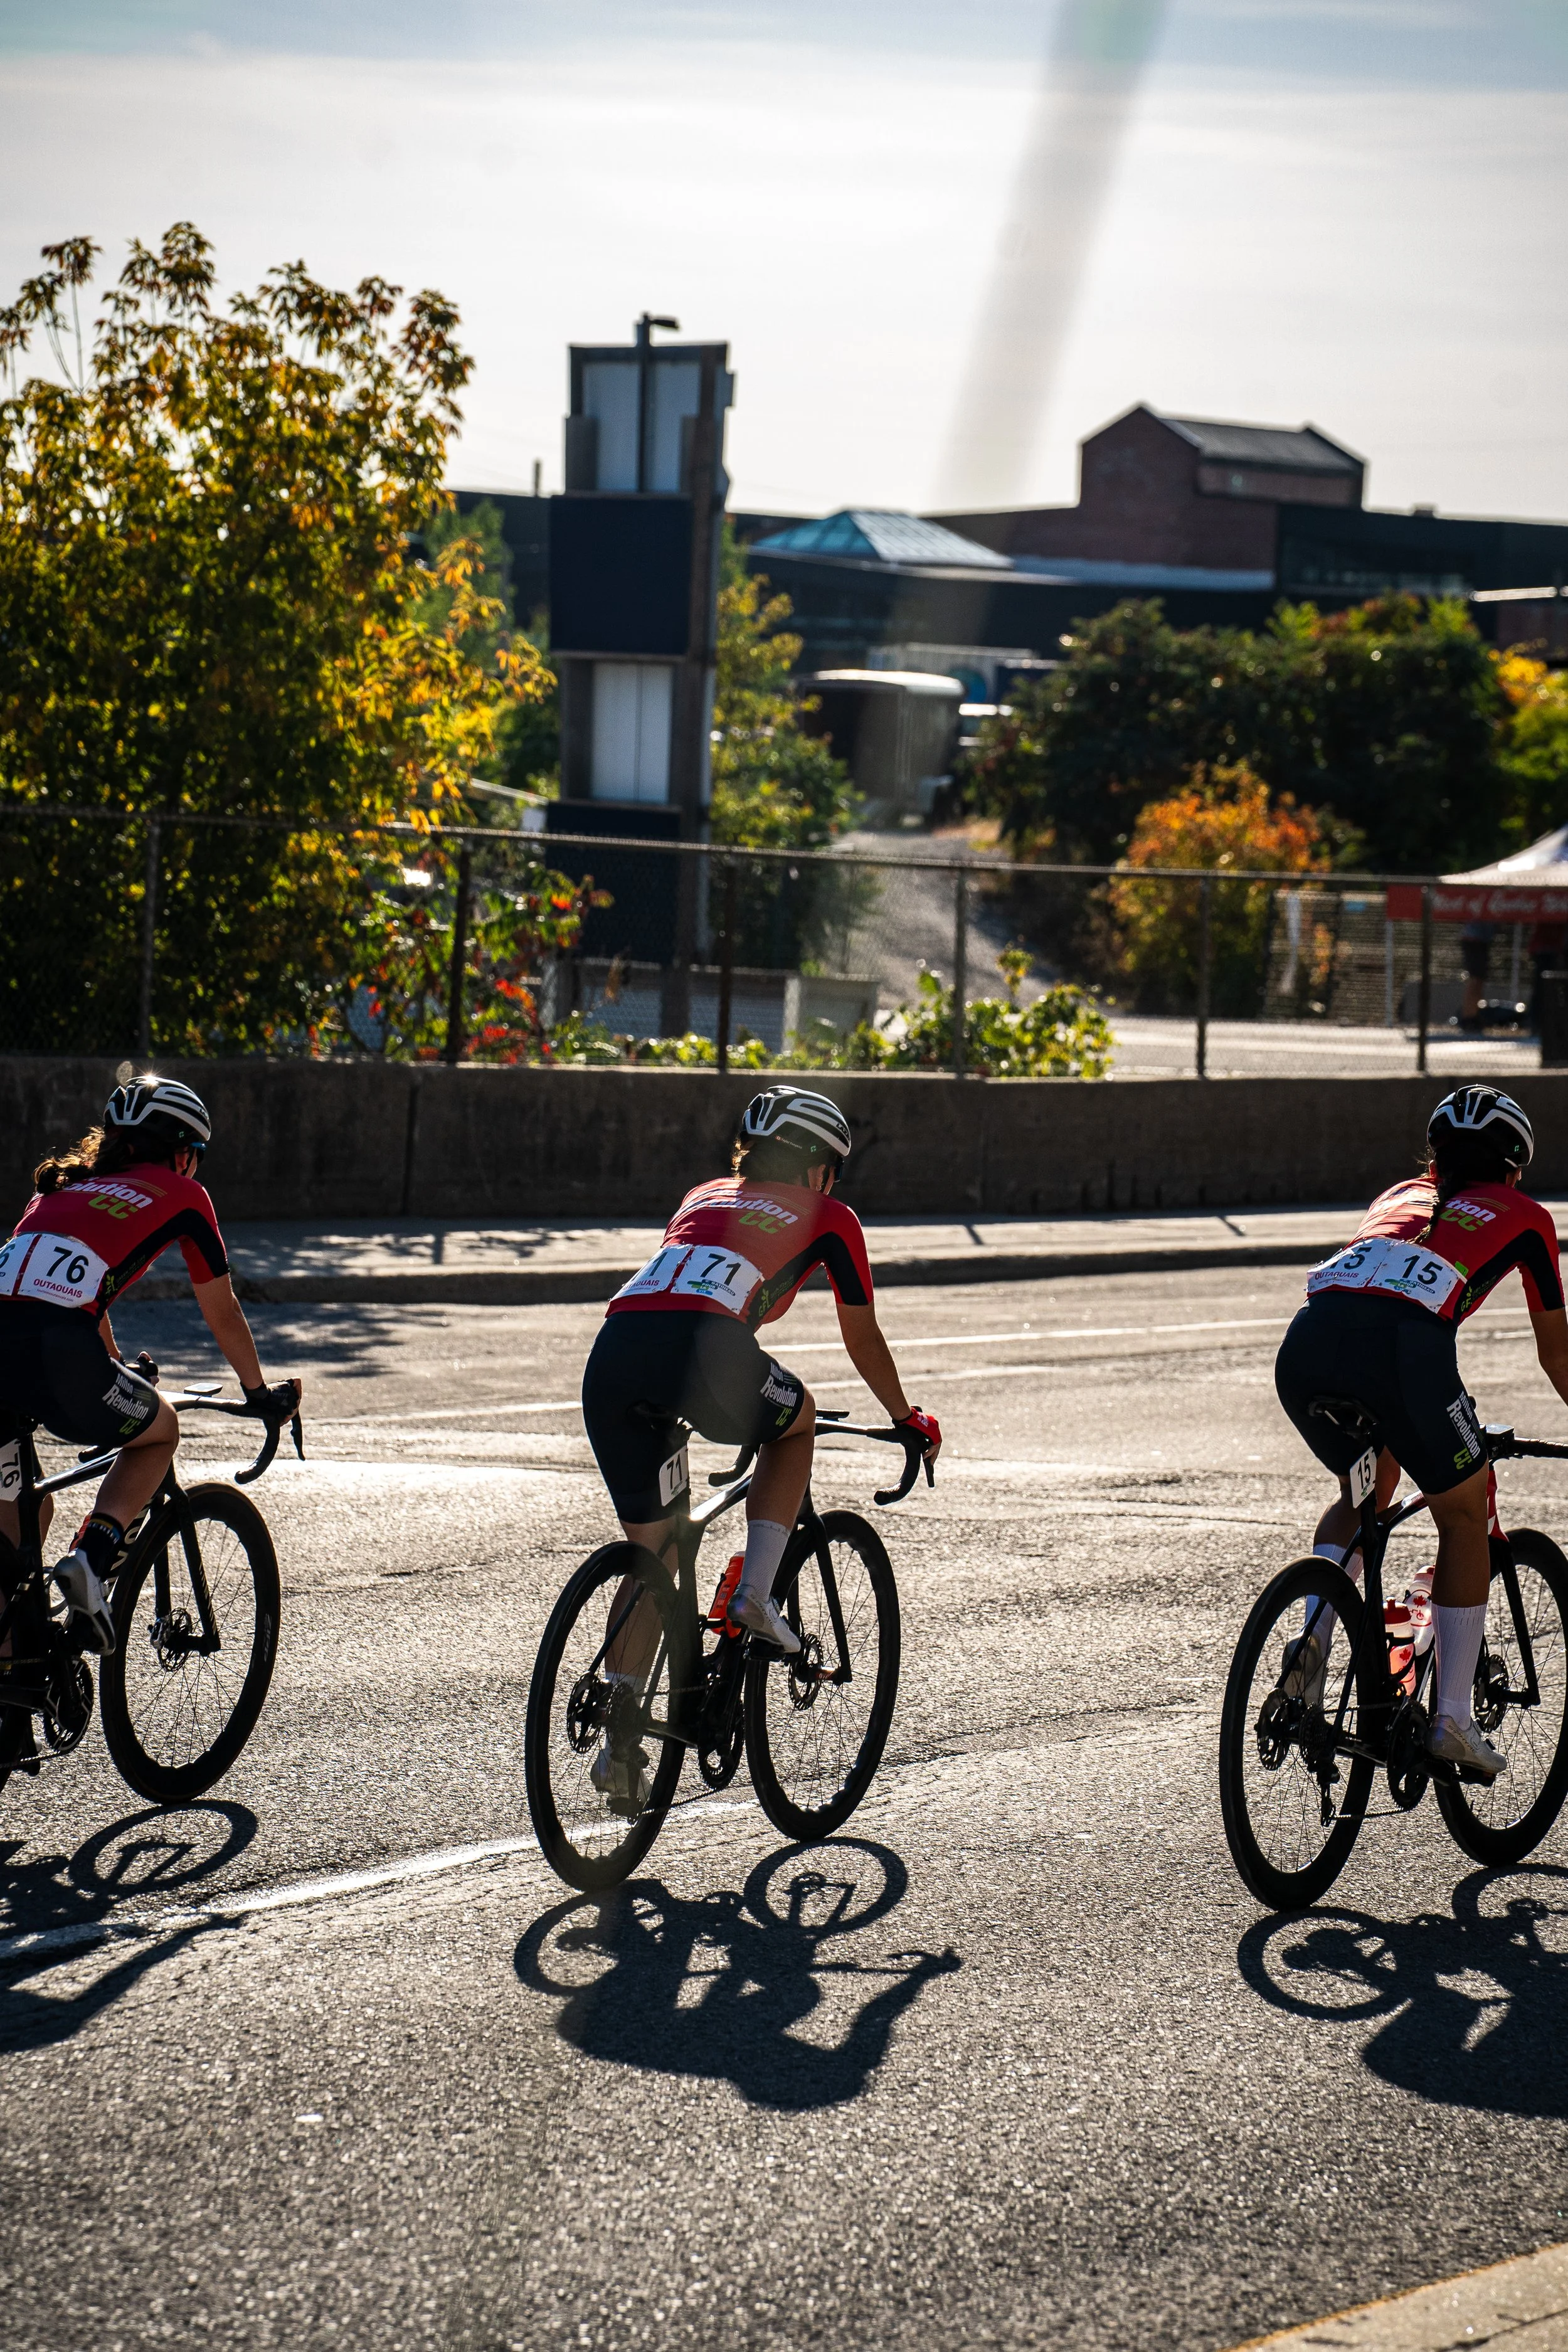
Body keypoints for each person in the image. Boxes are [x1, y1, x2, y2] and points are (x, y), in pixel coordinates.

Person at [580, 1085, 940, 1772]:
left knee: (658, 1553)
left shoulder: (701, 1195)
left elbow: (690, 1290)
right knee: (795, 1423)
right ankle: (753, 1595)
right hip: (707, 1357)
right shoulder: (831, 1216)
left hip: (613, 1357)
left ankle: (620, 1737)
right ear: (815, 1169)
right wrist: (904, 1418)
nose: (832, 1184)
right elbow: (862, 1339)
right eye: (832, 1170)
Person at [1274, 1085, 1568, 1778]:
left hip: (1307, 1346)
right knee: (1463, 1516)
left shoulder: (1397, 1196)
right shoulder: (1525, 1215)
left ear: (1433, 1158)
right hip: (1402, 1354)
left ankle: (1313, 1632)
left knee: (1366, 1490)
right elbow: (1556, 1354)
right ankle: (1452, 1721)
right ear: (1513, 1166)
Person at [0, 1074, 301, 1658]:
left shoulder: (61, 1189)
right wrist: (259, 1391)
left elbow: (51, 1291)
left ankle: (12, 1715)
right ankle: (91, 1556)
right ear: (182, 1151)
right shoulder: (184, 1195)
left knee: (21, 1527)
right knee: (159, 1429)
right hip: (58, 1352)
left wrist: (112, 1365)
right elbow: (221, 1306)